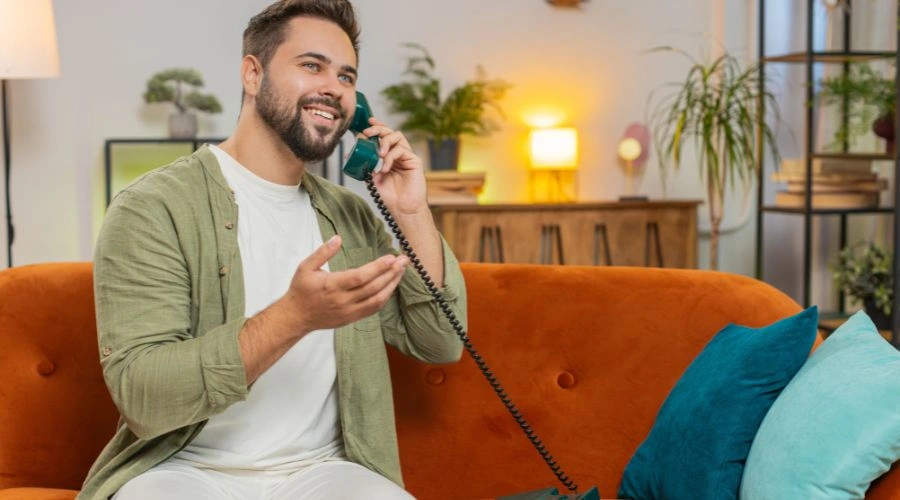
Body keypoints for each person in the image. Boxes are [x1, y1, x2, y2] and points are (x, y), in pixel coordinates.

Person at [79, 0, 467, 498]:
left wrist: (411, 212)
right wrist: (294, 316)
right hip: (182, 470)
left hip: (324, 471)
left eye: (346, 77)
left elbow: (440, 342)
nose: (334, 88)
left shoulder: (350, 216)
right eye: (312, 65)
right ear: (252, 73)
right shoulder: (152, 207)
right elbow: (143, 396)